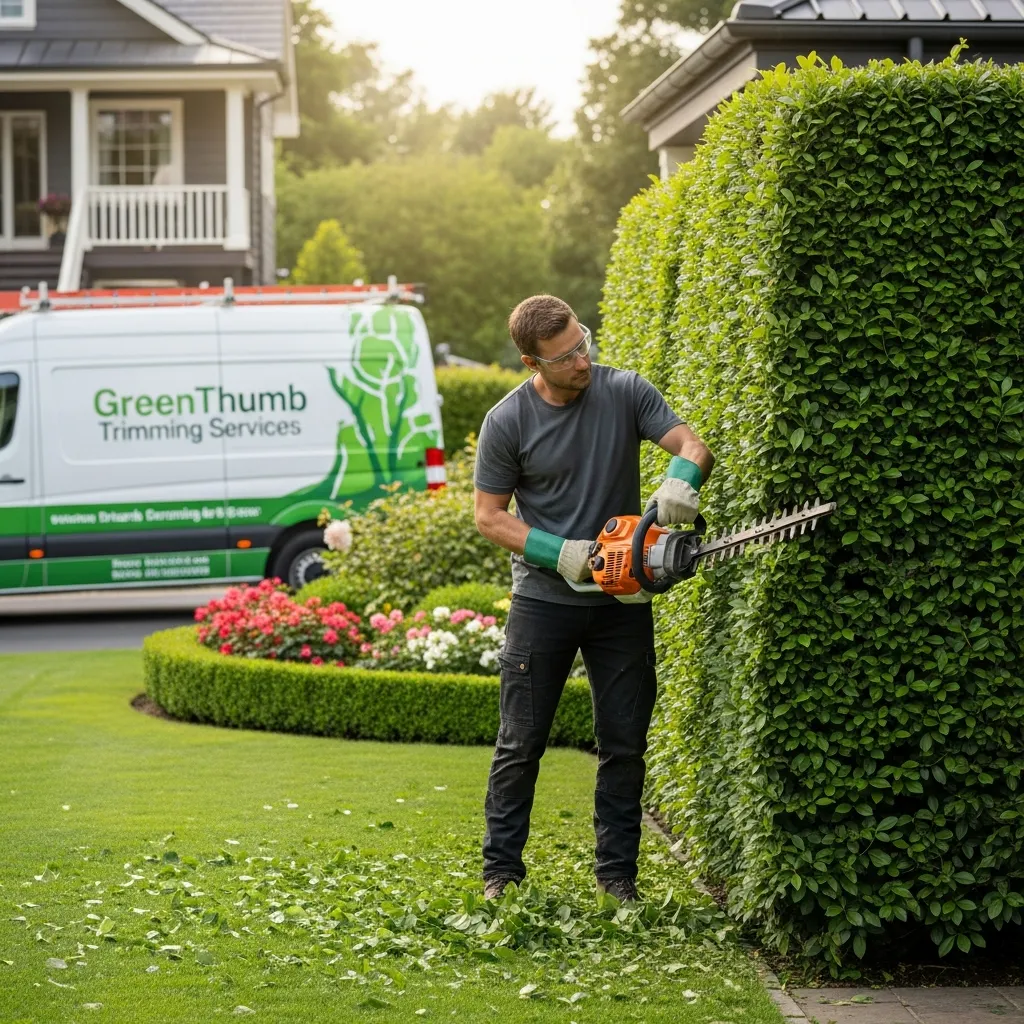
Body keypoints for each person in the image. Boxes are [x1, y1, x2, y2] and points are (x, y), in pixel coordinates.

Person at [473, 294, 715, 904]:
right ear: (534, 362)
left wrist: (681, 481)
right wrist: (563, 552)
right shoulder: (507, 422)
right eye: (567, 356)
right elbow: (489, 518)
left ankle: (618, 879)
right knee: (520, 743)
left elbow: (693, 445)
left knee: (624, 743)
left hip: (621, 604)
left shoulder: (625, 391)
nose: (583, 360)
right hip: (543, 602)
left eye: (584, 343)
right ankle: (500, 874)